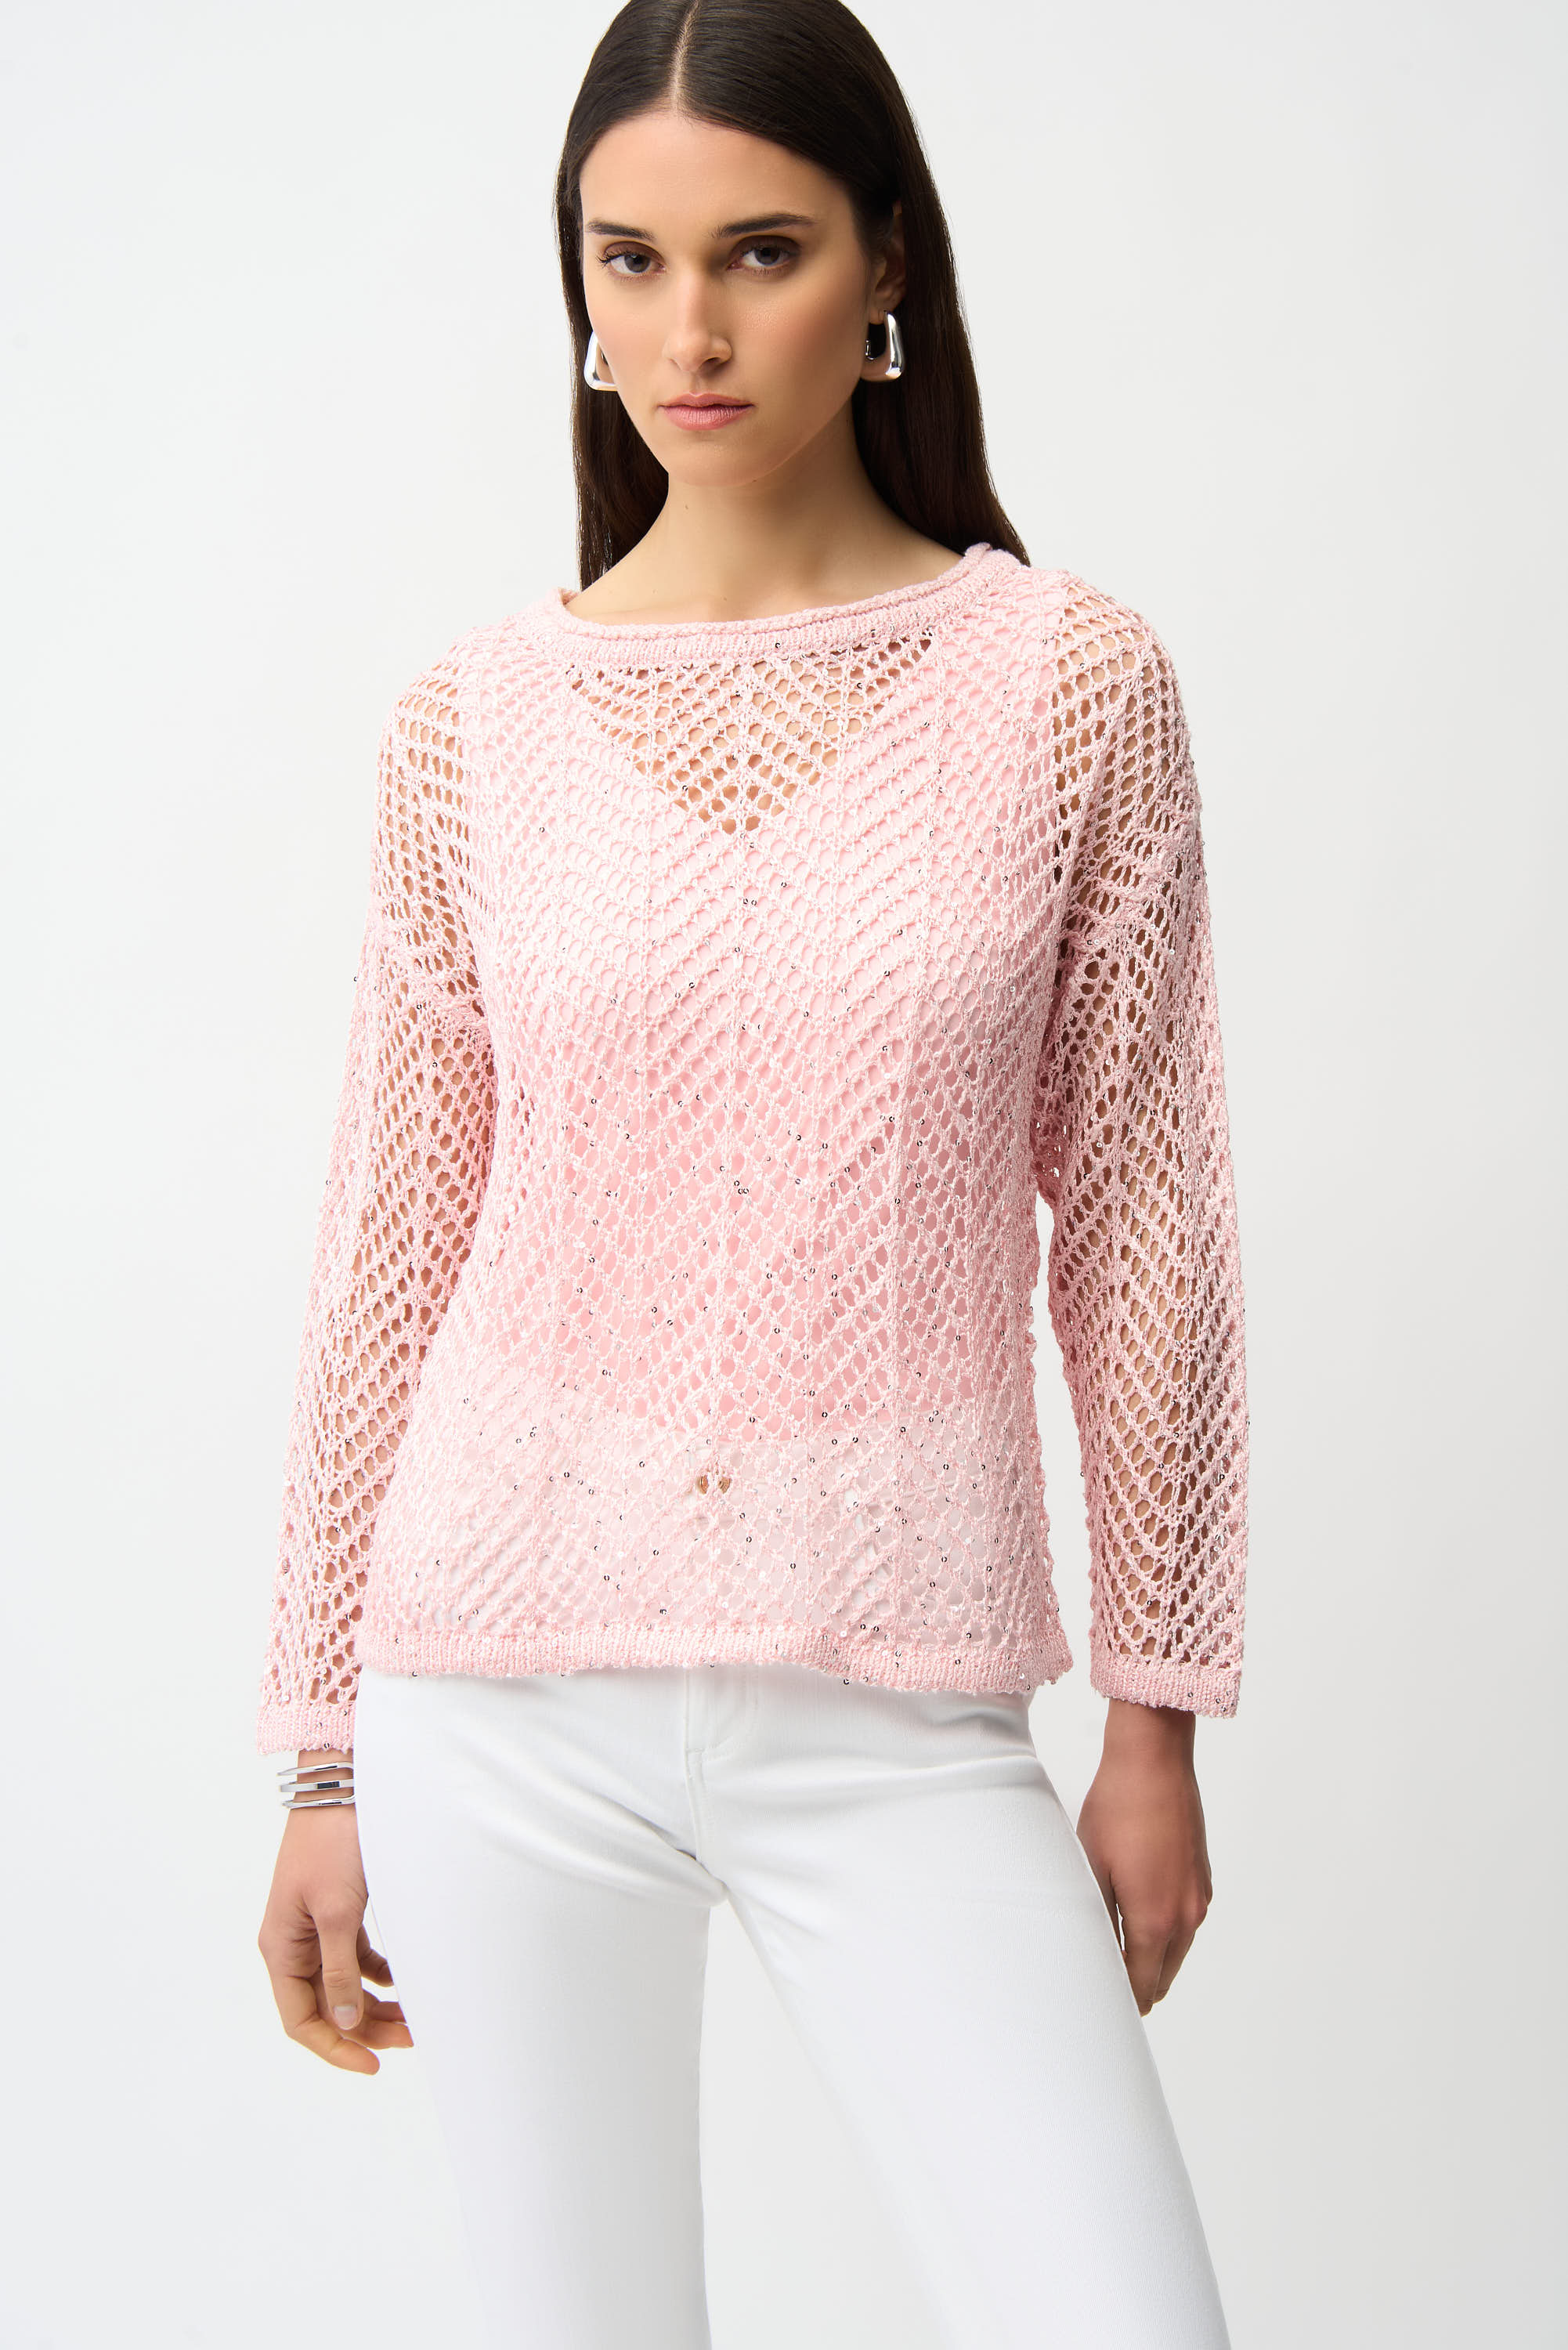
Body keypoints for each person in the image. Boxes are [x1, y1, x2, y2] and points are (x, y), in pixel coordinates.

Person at [255, 2, 1250, 2342]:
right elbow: (390, 1249)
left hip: (903, 1712)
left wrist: (1155, 1715)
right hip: (492, 1690)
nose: (684, 330)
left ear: (885, 263)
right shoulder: (469, 726)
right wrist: (317, 1756)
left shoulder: (1069, 684)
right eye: (629, 260)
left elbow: (1145, 1225)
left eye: (759, 253)